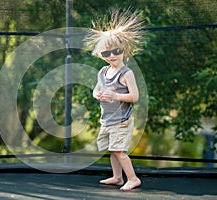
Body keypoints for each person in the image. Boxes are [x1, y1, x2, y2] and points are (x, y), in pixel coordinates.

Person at [85, 8, 146, 191]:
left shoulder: (126, 73)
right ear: (101, 55)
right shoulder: (103, 72)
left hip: (121, 120)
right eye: (106, 54)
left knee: (119, 150)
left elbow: (134, 97)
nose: (111, 56)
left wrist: (115, 95)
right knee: (112, 149)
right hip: (108, 119)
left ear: (124, 51)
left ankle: (133, 178)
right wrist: (98, 95)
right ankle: (117, 177)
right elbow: (96, 90)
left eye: (116, 51)